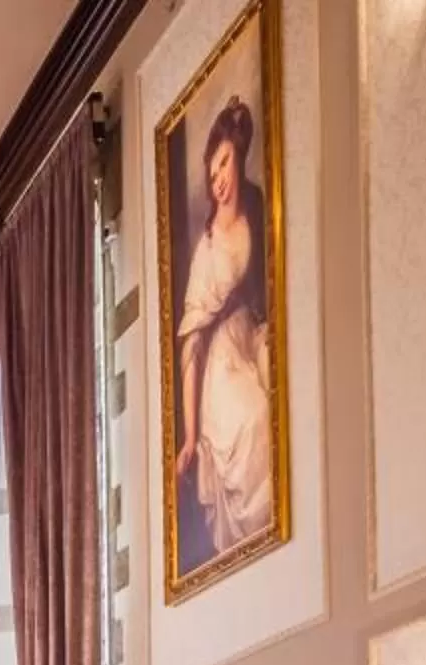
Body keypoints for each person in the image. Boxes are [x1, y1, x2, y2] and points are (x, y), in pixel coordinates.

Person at [173, 96, 277, 570]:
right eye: (211, 168)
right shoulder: (206, 250)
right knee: (254, 417)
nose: (218, 178)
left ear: (238, 156)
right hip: (218, 361)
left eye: (224, 162)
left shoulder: (257, 207)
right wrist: (191, 438)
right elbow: (190, 347)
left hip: (247, 336)